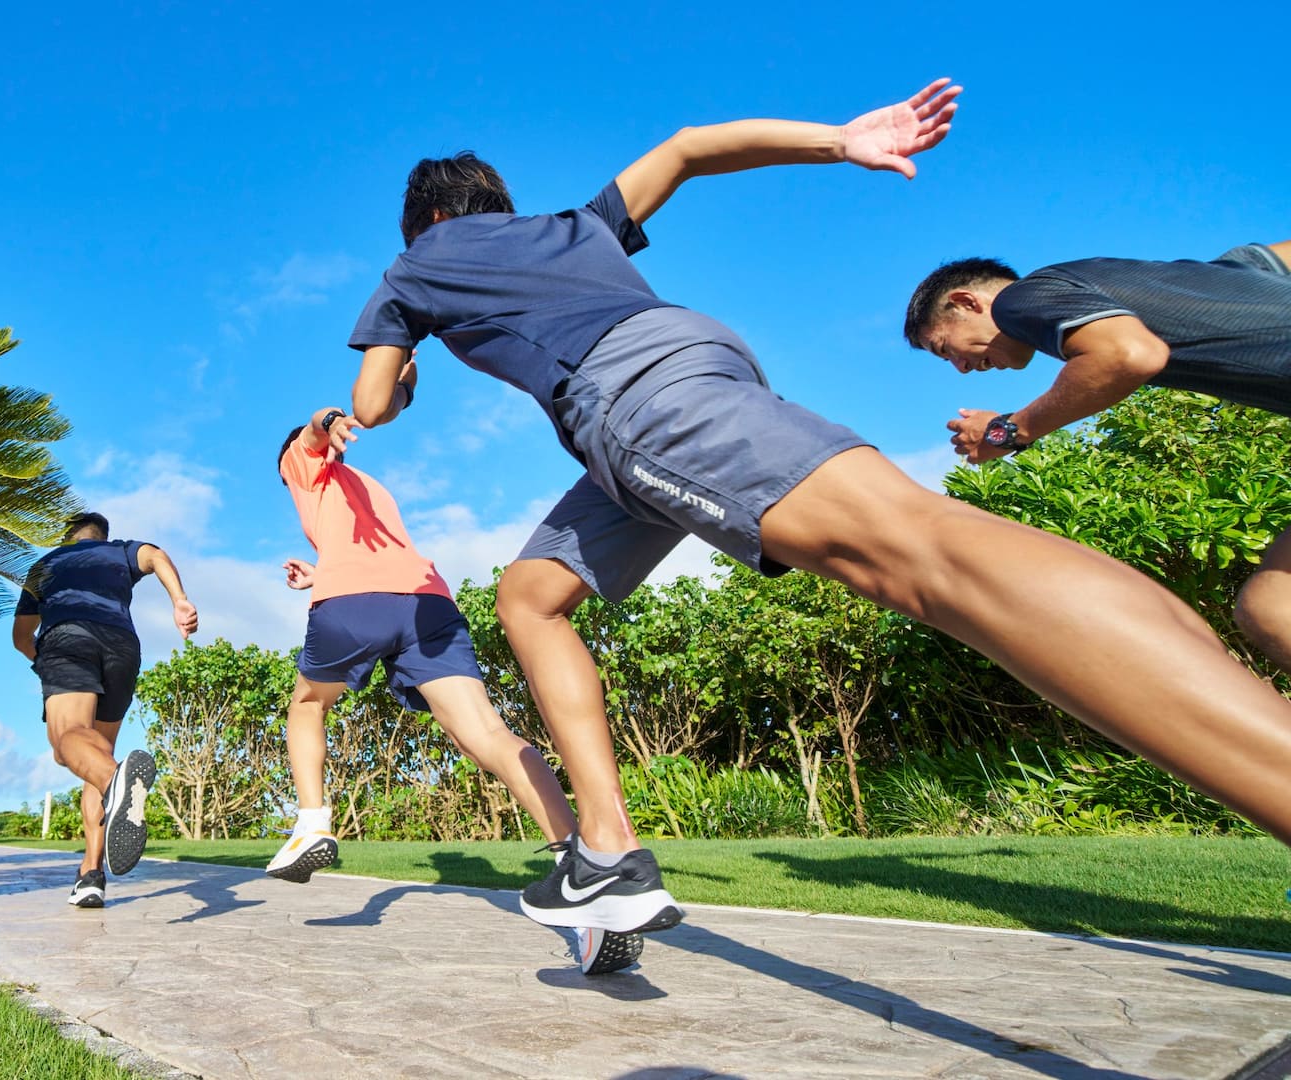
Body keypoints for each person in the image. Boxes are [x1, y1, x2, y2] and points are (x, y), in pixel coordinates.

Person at [340, 77, 1291, 936]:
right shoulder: (573, 227)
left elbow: (372, 407)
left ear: (421, 217)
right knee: (530, 596)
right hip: (672, 384)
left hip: (636, 402)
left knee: (923, 553)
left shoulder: (413, 268)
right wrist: (841, 139)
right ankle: (604, 850)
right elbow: (685, 146)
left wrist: (407, 359)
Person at [268, 396, 662, 972]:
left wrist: (326, 422)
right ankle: (587, 873)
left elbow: (310, 432)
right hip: (428, 603)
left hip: (355, 601)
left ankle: (310, 826)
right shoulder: (370, 488)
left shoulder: (301, 465)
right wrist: (320, 571)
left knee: (306, 704)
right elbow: (368, 555)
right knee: (490, 737)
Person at [903, 242, 1291, 668]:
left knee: (1274, 610)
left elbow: (1128, 355)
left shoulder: (1020, 299)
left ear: (966, 302)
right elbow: (1269, 257)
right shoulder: (1197, 280)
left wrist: (1010, 432)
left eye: (945, 348)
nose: (960, 367)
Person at [14, 512, 199, 908]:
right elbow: (156, 556)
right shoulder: (119, 552)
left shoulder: (46, 564)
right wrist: (180, 601)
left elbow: (21, 635)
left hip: (69, 641)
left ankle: (117, 782)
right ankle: (90, 875)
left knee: (67, 742)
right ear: (102, 535)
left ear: (68, 539)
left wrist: (43, 659)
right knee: (93, 754)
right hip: (122, 647)